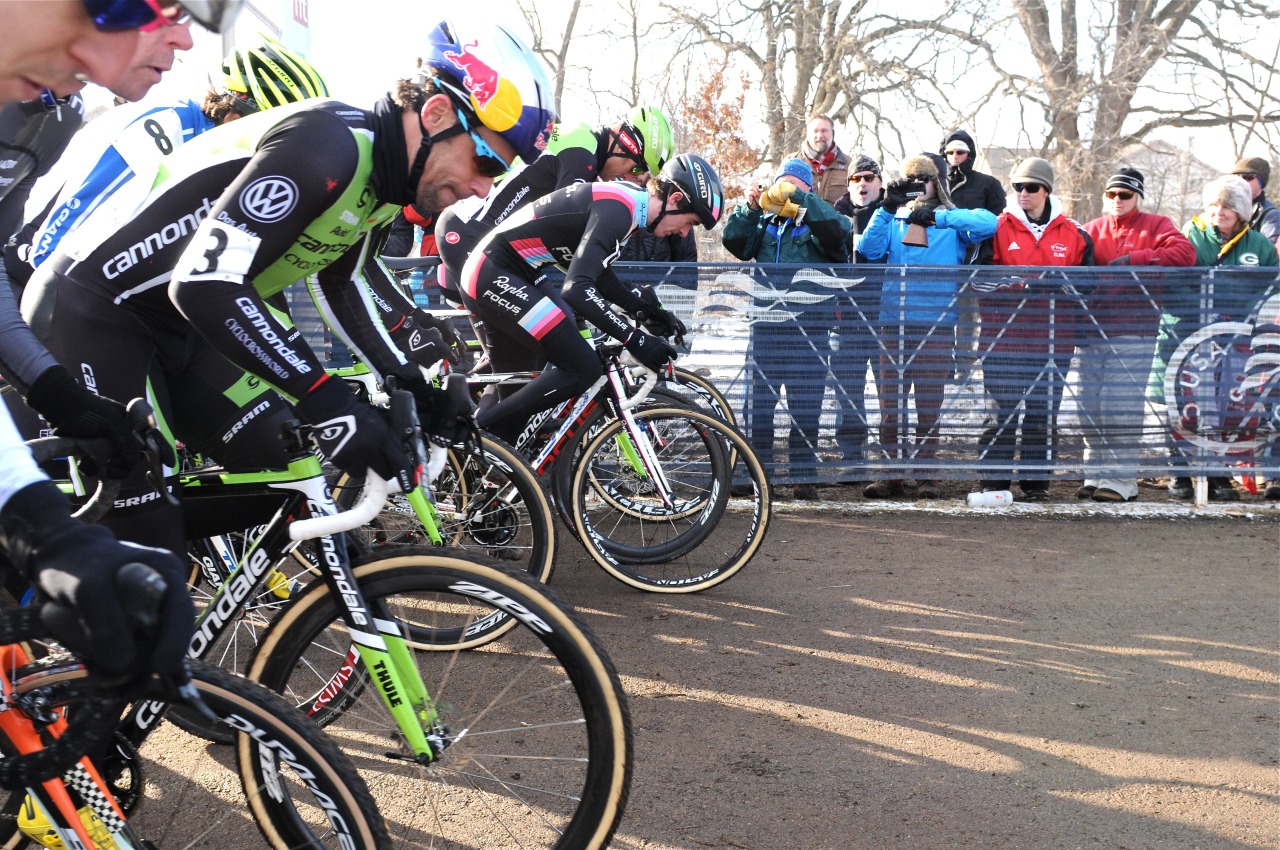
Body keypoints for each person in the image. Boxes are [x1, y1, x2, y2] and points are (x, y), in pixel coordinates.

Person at [16, 19, 556, 557]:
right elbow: (205, 282)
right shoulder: (330, 143)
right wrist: (328, 398)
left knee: (292, 468)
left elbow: (340, 287)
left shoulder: (387, 183)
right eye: (485, 160)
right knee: (151, 542)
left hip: (182, 329)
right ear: (436, 114)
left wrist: (411, 383)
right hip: (95, 313)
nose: (484, 186)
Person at [0, 0, 238, 691]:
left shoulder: (52, 112)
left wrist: (56, 392)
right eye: (169, 6)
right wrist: (34, 518)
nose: (187, 36)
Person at [459, 154, 722, 444]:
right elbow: (577, 288)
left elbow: (599, 276)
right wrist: (635, 339)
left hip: (503, 272)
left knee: (515, 414)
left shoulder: (629, 203)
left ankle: (480, 459)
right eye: (691, 222)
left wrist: (644, 310)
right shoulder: (621, 209)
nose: (684, 232)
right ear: (675, 199)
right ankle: (464, 436)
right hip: (494, 271)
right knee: (583, 367)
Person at [436, 105, 675, 311]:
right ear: (623, 142)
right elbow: (568, 241)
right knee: (552, 329)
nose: (630, 179)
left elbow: (567, 250)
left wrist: (620, 291)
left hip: (488, 242)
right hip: (469, 232)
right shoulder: (583, 153)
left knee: (558, 327)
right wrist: (621, 293)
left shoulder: (585, 148)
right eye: (636, 170)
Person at [857, 153, 998, 499]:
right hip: (893, 324)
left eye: (925, 179)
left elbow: (989, 223)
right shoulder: (892, 219)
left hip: (935, 325)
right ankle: (890, 475)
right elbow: (868, 250)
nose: (918, 186)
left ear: (937, 181)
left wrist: (939, 215)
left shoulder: (952, 221)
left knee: (928, 406)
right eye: (911, 180)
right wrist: (887, 208)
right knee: (891, 409)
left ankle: (926, 476)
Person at [722, 157, 851, 499]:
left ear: (808, 187)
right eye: (783, 182)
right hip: (766, 327)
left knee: (806, 404)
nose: (786, 190)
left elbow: (840, 237)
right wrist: (750, 208)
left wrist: (802, 202)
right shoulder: (765, 222)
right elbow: (735, 243)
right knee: (759, 404)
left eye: (795, 184)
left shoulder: (820, 218)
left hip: (810, 329)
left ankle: (804, 478)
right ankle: (758, 475)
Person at [976, 157, 1094, 500]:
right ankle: (993, 484)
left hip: (1053, 343)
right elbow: (977, 281)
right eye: (1018, 187)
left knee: (1042, 415)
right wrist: (1018, 284)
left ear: (1046, 190)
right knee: (1001, 413)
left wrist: (1060, 283)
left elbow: (1088, 286)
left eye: (1031, 187)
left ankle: (1036, 485)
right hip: (1003, 342)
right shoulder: (997, 228)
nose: (1023, 193)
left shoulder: (1074, 233)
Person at [1078, 166, 1196, 502]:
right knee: (1090, 410)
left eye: (1125, 194)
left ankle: (1121, 481)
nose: (1117, 200)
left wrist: (1137, 260)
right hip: (1092, 332)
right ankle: (1095, 474)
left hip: (1134, 331)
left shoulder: (1157, 225)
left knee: (1121, 407)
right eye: (1112, 194)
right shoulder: (1091, 229)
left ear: (1137, 197)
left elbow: (1185, 254)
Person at [1163, 174, 1278, 501]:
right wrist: (1200, 310)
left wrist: (1242, 315)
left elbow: (1271, 290)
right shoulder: (1189, 235)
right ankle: (1182, 475)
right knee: (1183, 406)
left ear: (1241, 211)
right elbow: (1172, 283)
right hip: (1187, 338)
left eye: (1228, 205)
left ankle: (1219, 476)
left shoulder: (1258, 245)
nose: (1220, 211)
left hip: (1237, 340)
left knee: (1228, 408)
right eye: (1214, 204)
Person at [829, 154, 884, 471]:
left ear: (880, 183)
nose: (862, 183)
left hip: (885, 321)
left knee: (891, 395)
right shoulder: (834, 217)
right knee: (847, 395)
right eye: (855, 178)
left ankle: (892, 461)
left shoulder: (893, 214)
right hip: (846, 322)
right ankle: (853, 459)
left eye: (868, 177)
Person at [792, 114, 850, 207]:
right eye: (815, 131)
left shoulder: (849, 165)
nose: (819, 136)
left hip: (836, 221)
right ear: (807, 134)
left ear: (833, 133)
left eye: (824, 131)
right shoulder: (791, 163)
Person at [1232, 156, 1280, 248]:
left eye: (1247, 177)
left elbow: (1269, 255)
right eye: (1236, 176)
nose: (1240, 181)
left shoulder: (1271, 216)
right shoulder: (1220, 210)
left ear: (1261, 183)